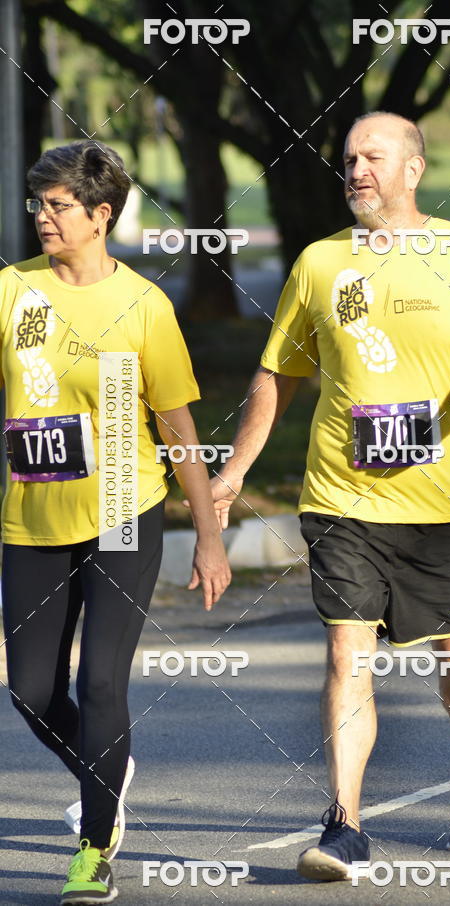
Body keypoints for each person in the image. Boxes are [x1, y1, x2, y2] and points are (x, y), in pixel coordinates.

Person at [210, 112, 450, 880]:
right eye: (350, 158)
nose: (356, 170)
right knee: (347, 650)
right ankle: (345, 824)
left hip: (449, 496)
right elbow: (278, 375)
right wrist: (233, 472)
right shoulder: (320, 263)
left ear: (414, 170)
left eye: (373, 158)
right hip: (342, 495)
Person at [0, 140, 231, 904]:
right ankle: (109, 767)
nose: (42, 217)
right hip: (32, 515)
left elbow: (178, 427)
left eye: (58, 205)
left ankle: (95, 847)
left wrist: (207, 535)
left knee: (101, 682)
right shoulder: (12, 290)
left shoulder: (142, 305)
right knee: (32, 691)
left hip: (124, 511)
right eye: (38, 203)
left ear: (101, 215)